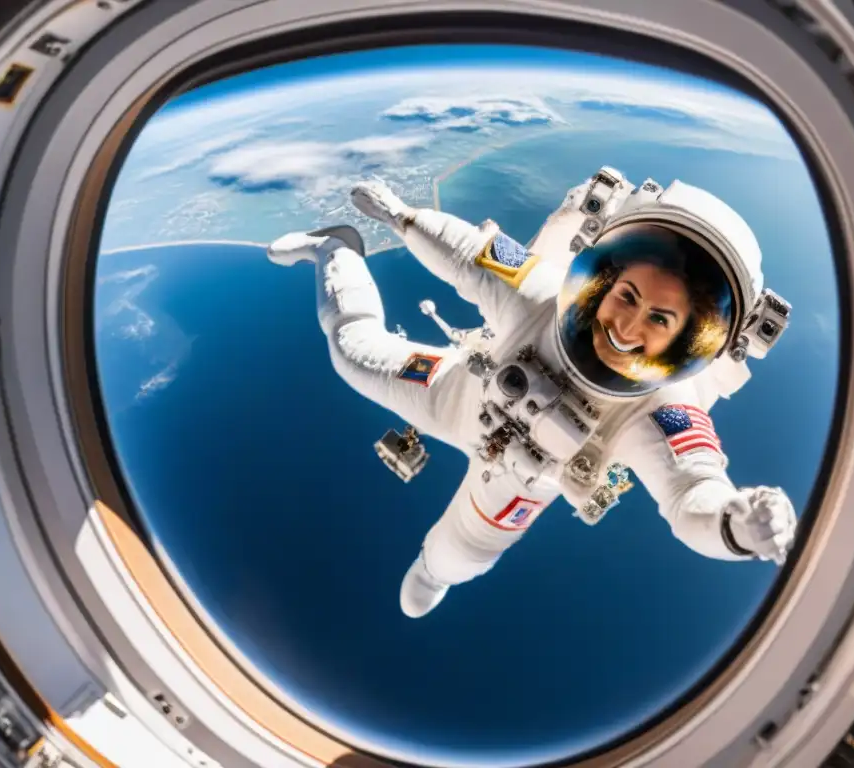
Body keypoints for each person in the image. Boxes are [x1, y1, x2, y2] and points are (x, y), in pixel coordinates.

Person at [267, 168, 798, 619]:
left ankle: (433, 570)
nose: (627, 327)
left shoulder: (663, 411)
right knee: (350, 351)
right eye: (627, 296)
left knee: (462, 551)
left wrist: (733, 523)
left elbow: (692, 492)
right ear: (604, 279)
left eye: (659, 319)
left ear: (687, 342)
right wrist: (401, 216)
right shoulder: (541, 293)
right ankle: (334, 249)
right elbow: (469, 253)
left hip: (516, 485)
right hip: (458, 394)